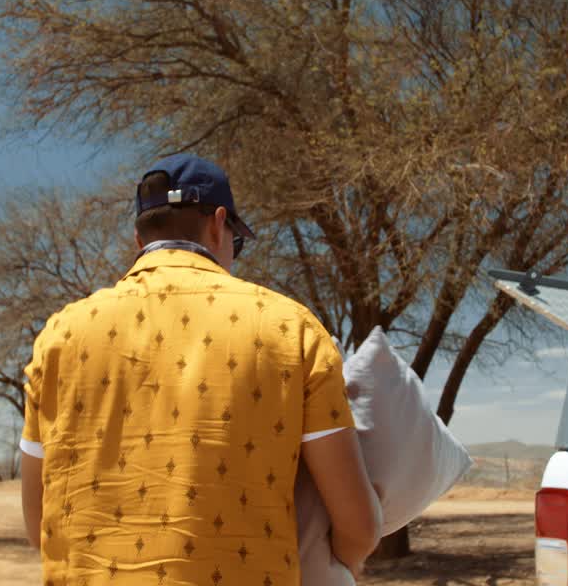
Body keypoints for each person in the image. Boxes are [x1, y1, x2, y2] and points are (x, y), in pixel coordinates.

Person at [20, 154, 382, 585]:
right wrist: (346, 561)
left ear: (140, 242)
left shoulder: (60, 337)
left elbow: (37, 522)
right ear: (218, 224)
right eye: (237, 242)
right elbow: (357, 525)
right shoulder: (292, 329)